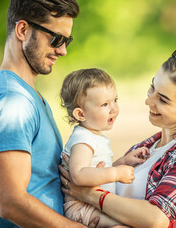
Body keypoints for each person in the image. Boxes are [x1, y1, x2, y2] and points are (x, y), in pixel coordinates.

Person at [60, 46, 176, 227]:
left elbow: (155, 219)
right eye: (152, 87)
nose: (148, 101)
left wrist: (89, 195)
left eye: (163, 99)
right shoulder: (146, 147)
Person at [0, 0, 90, 227]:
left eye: (67, 40)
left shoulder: (25, 95)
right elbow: (10, 201)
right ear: (23, 30)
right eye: (56, 38)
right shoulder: (10, 102)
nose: (63, 50)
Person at [59, 68, 150, 227]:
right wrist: (115, 173)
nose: (113, 108)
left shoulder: (93, 136)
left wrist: (124, 161)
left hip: (92, 203)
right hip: (81, 208)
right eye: (105, 104)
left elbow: (97, 171)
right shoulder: (83, 139)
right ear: (80, 114)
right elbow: (79, 175)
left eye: (115, 100)